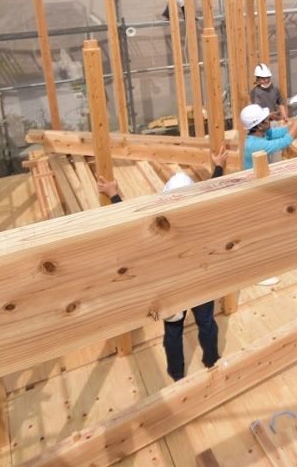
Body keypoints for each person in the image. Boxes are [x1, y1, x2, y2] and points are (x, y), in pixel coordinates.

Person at [97, 145, 227, 380]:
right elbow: (213, 189)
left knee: (173, 330)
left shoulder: (159, 223)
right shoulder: (200, 211)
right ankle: (212, 360)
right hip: (200, 279)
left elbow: (130, 221)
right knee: (206, 322)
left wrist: (113, 193)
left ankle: (177, 374)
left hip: (170, 288)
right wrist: (218, 166)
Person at [241, 101, 297, 169]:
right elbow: (285, 141)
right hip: (255, 180)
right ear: (260, 126)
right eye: (267, 120)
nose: (270, 121)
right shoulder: (256, 144)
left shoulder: (261, 133)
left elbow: (283, 131)